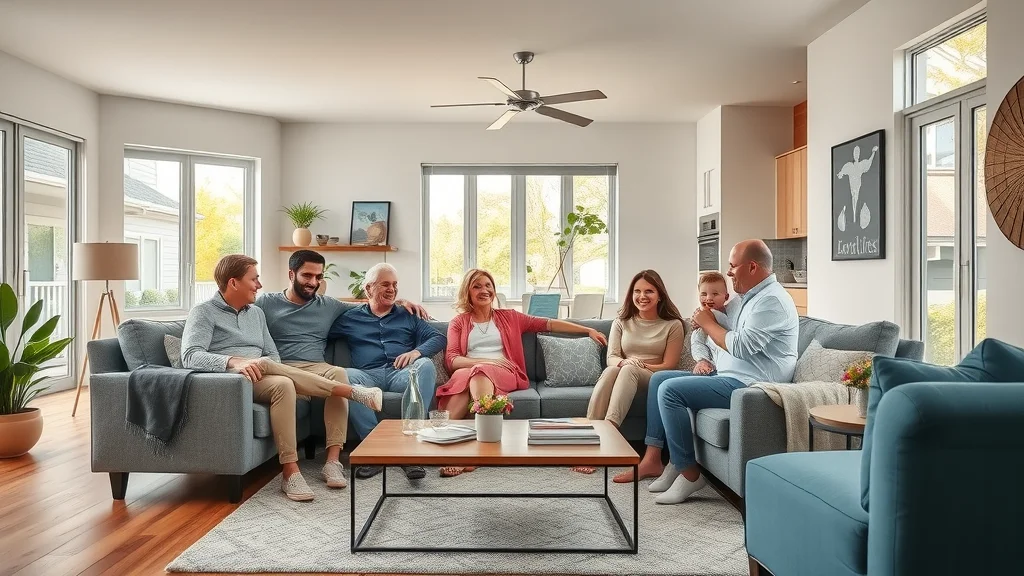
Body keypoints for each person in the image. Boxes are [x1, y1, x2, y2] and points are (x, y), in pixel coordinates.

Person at [181, 254, 382, 502]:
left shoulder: (255, 312)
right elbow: (189, 356)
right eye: (254, 279)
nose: (260, 284)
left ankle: (332, 462)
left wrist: (399, 302)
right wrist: (234, 362)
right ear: (233, 283)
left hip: (267, 372)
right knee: (282, 382)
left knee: (302, 370)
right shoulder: (204, 312)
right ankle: (291, 471)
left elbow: (271, 353)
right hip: (233, 379)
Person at [255, 250, 430, 482]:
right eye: (307, 276)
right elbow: (246, 322)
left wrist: (398, 302)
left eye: (319, 277)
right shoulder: (266, 302)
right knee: (342, 377)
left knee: (339, 373)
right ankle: (370, 447)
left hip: (316, 368)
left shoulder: (329, 306)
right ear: (291, 274)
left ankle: (332, 462)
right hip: (282, 369)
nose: (313, 282)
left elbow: (372, 308)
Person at [646, 240, 799, 505]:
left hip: (753, 385)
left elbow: (741, 346)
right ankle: (673, 461)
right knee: (659, 379)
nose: (728, 272)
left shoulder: (772, 301)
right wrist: (706, 318)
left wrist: (707, 323)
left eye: (732, 266)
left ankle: (690, 475)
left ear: (752, 267)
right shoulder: (747, 297)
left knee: (671, 391)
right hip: (728, 377)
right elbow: (722, 324)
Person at [436, 268, 608, 478]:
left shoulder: (510, 317)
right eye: (477, 286)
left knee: (478, 373)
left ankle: (478, 453)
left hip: (505, 370)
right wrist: (486, 360)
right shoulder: (459, 322)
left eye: (488, 285)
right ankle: (447, 448)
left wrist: (586, 330)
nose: (484, 290)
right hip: (470, 369)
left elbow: (548, 323)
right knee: (465, 383)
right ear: (468, 292)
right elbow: (452, 359)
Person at [328, 262, 446, 480]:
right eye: (385, 284)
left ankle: (411, 451)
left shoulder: (408, 315)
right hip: (366, 375)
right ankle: (376, 451)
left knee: (426, 365)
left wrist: (416, 353)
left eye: (394, 284)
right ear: (369, 289)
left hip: (400, 374)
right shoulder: (350, 317)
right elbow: (323, 333)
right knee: (346, 375)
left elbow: (438, 337)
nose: (392, 289)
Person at [577, 270, 684, 474]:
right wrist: (627, 362)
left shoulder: (673, 325)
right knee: (611, 371)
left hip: (653, 378)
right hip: (624, 372)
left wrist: (637, 365)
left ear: (660, 294)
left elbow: (669, 365)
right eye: (637, 291)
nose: (642, 296)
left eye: (649, 291)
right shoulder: (622, 321)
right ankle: (588, 443)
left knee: (628, 370)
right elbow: (612, 357)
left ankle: (608, 439)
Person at [690, 271, 741, 375]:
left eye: (715, 294)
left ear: (726, 297)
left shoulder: (732, 313)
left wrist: (708, 319)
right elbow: (697, 342)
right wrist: (702, 360)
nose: (709, 298)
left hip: (730, 365)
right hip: (711, 364)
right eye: (703, 294)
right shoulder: (699, 319)